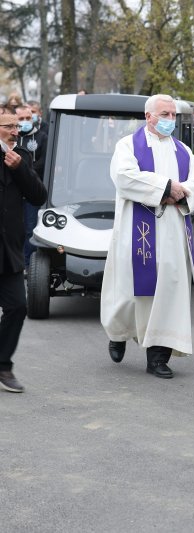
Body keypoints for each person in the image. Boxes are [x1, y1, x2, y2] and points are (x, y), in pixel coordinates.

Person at [100, 94, 194, 379]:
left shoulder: (183, 150)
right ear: (149, 116)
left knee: (169, 292)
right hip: (137, 232)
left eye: (173, 115)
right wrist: (166, 188)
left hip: (173, 231)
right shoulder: (127, 146)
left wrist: (181, 194)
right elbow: (124, 177)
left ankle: (158, 357)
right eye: (164, 114)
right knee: (128, 290)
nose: (170, 120)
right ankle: (119, 333)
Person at [0, 107, 48, 392]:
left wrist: (19, 169)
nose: (16, 131)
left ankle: (3, 365)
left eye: (17, 126)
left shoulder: (21, 157)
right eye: (9, 126)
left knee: (18, 306)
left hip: (10, 250)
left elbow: (38, 196)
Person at [15, 104, 47, 268]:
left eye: (28, 117)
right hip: (14, 190)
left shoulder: (42, 137)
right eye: (21, 119)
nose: (26, 121)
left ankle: (28, 265)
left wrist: (24, 170)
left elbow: (44, 161)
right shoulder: (12, 138)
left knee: (30, 228)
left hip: (32, 189)